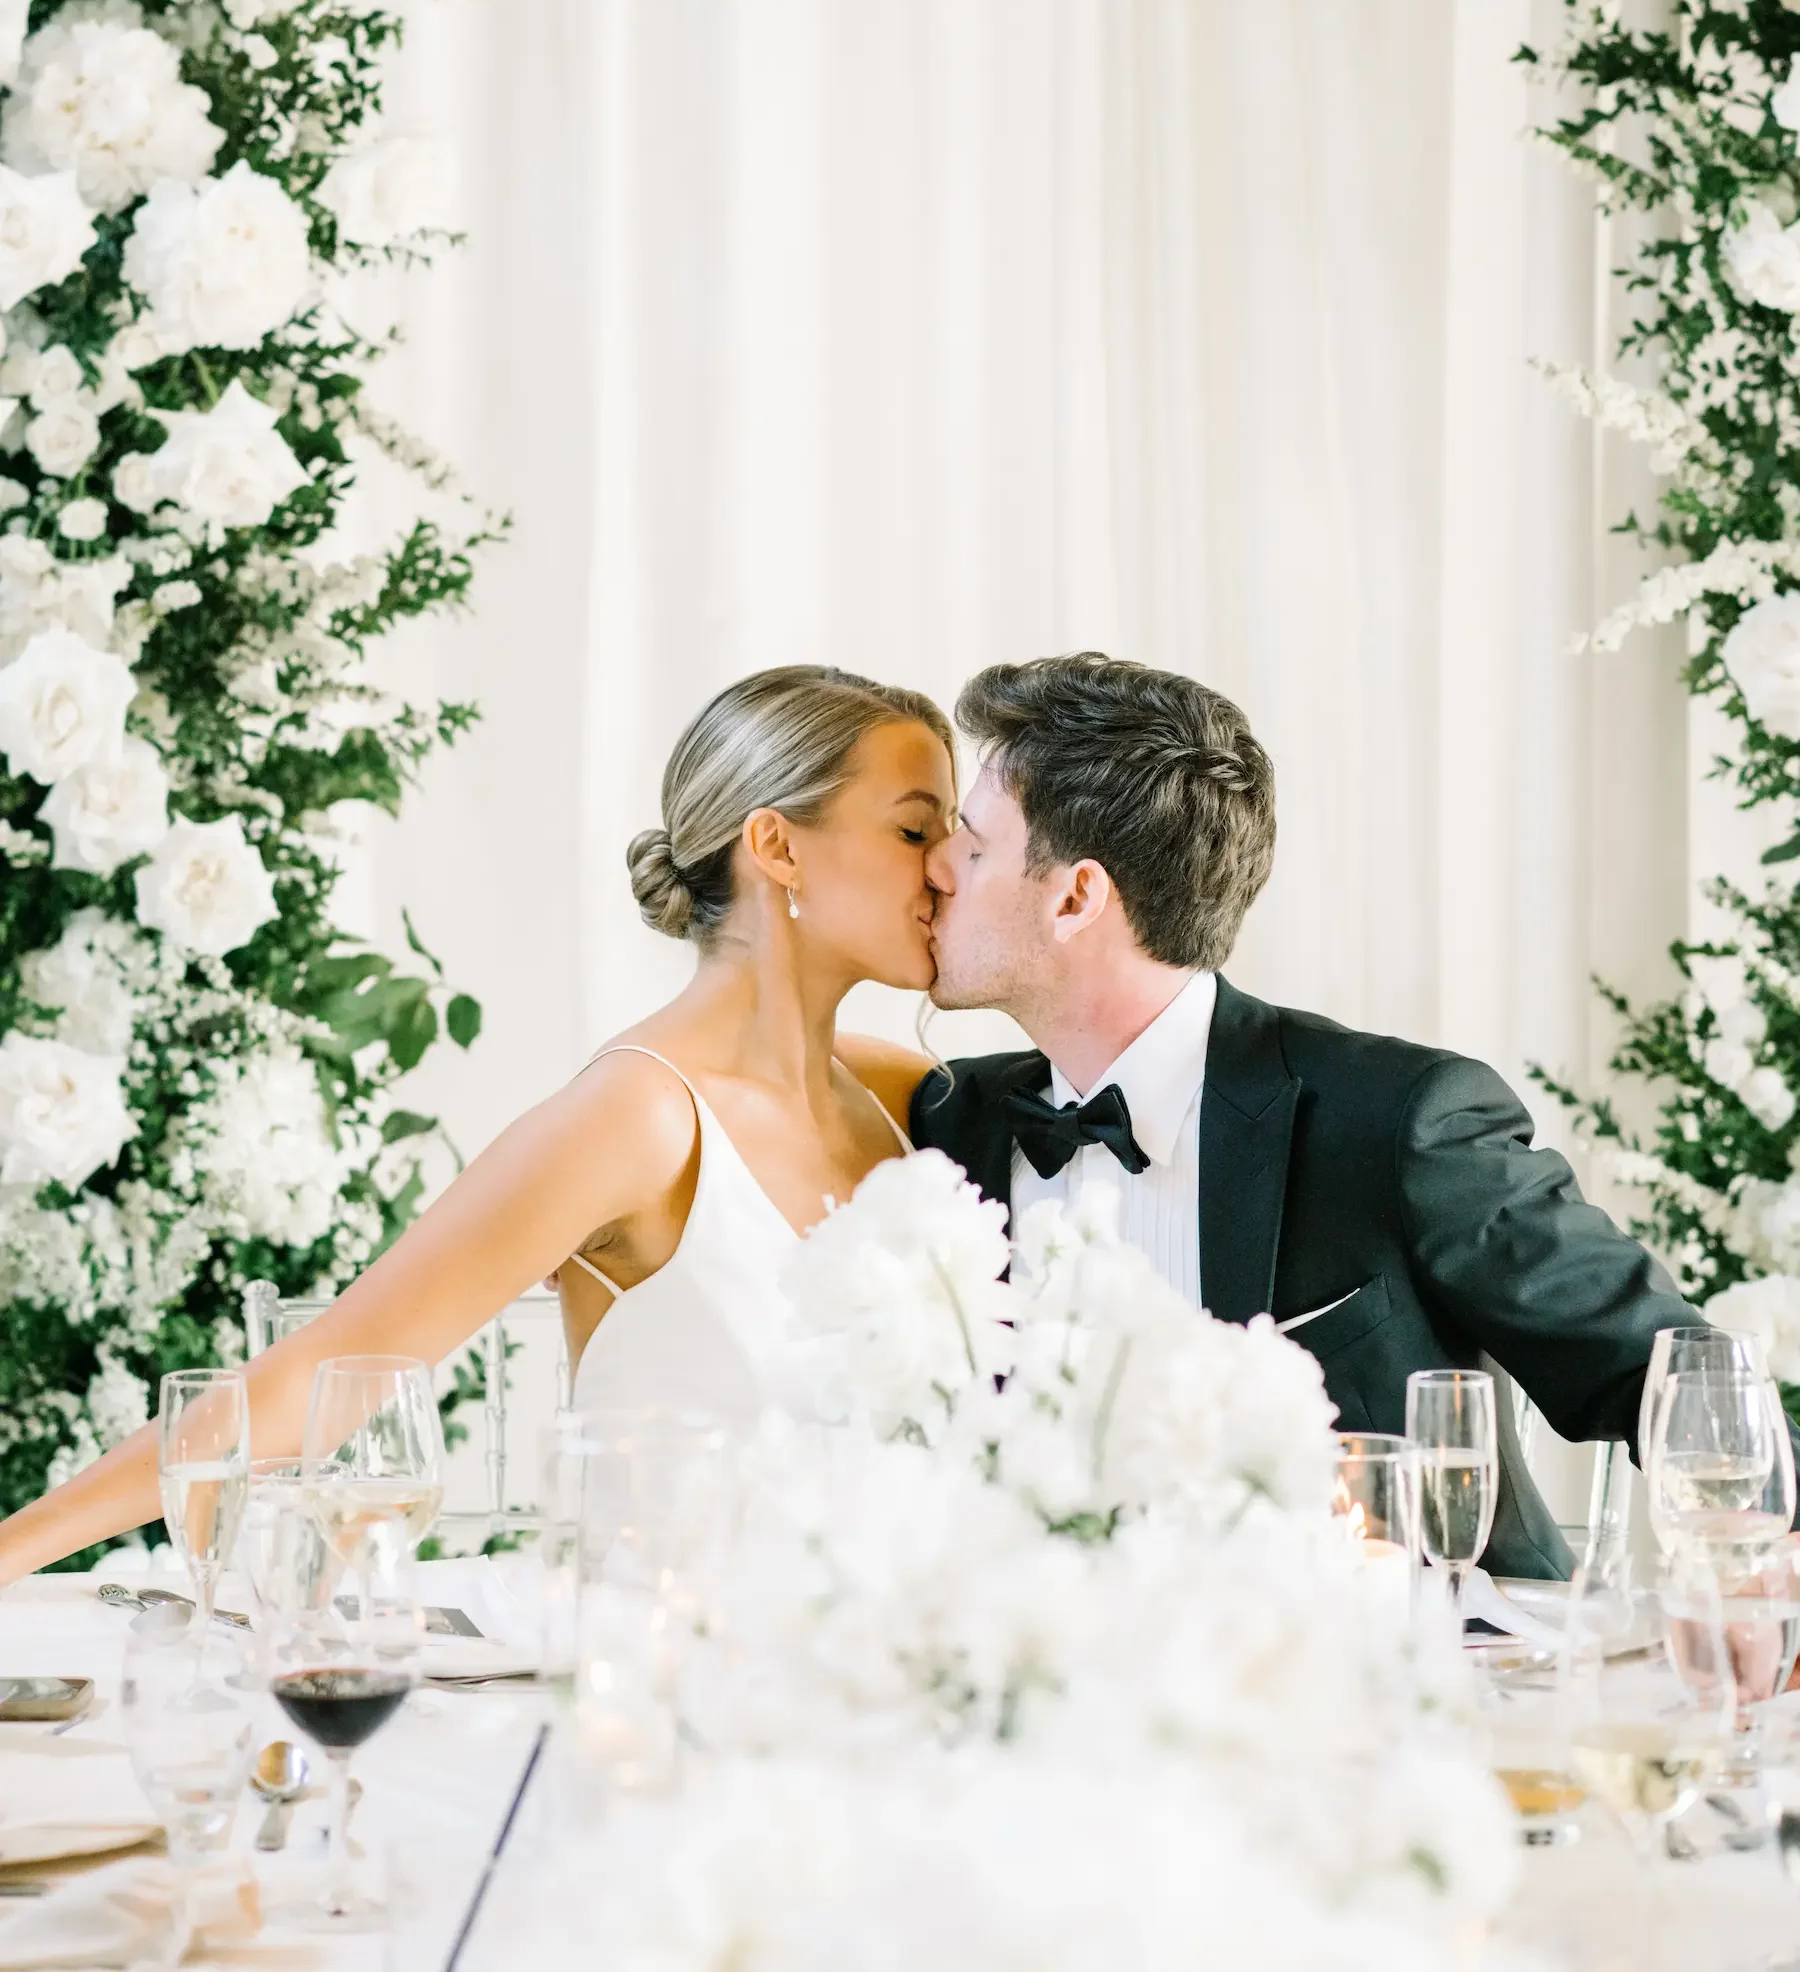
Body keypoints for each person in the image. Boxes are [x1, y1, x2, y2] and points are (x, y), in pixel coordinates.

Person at [0, 665, 954, 1584]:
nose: (949, 866)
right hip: (668, 1696)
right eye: (917, 831)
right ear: (777, 847)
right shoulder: (638, 1118)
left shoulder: (909, 1096)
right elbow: (317, 1381)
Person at [909, 651, 1709, 1581]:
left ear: (1076, 896)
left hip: (1420, 1682)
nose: (936, 867)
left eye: (970, 844)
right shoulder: (948, 1128)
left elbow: (1666, 1371)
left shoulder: (1396, 1119)